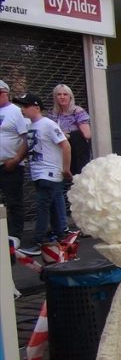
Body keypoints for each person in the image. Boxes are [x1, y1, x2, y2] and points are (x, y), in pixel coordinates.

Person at [11, 92, 71, 256]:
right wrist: (16, 159)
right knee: (52, 208)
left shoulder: (48, 124)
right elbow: (27, 145)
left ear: (36, 107)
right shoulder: (32, 126)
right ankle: (61, 238)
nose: (22, 110)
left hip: (49, 174)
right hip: (39, 174)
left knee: (42, 207)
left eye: (25, 106)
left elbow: (65, 145)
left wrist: (66, 169)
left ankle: (38, 241)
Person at [0, 80, 28, 247]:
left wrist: (17, 159)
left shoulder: (16, 112)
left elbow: (26, 138)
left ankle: (15, 235)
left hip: (11, 165)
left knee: (14, 201)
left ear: (6, 93)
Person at [48, 84, 91, 175]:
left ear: (70, 96)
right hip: (58, 150)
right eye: (59, 94)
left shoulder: (77, 111)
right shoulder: (52, 113)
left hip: (76, 151)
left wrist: (68, 134)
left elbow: (87, 134)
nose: (62, 97)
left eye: (65, 94)